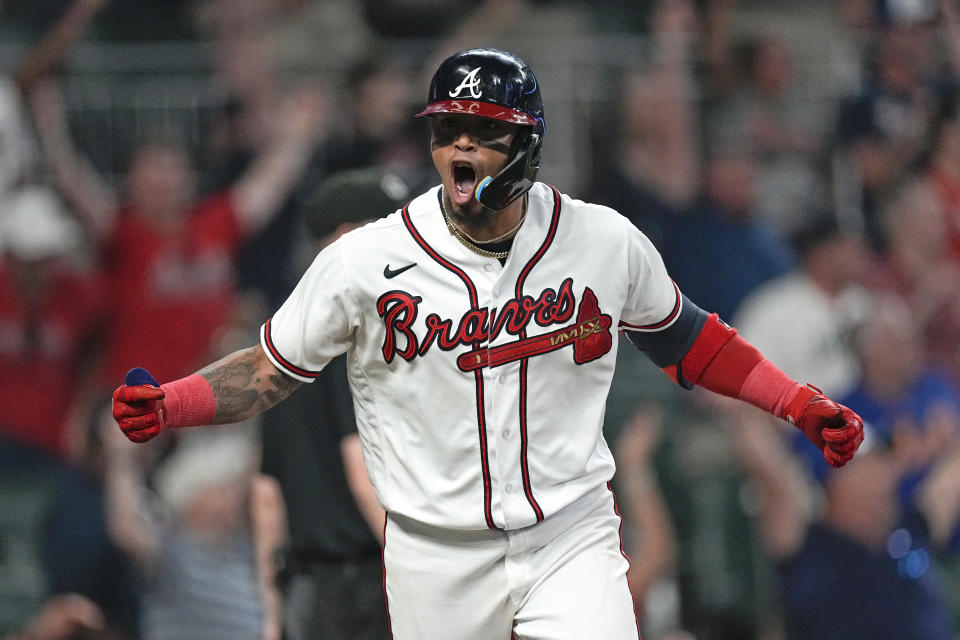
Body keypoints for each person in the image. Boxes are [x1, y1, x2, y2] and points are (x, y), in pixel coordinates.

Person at [112, 48, 864, 640]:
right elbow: (269, 369)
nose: (462, 148)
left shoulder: (602, 240)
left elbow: (691, 340)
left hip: (570, 532)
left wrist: (794, 400)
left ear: (529, 141)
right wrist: (173, 403)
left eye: (485, 130)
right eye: (447, 129)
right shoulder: (364, 260)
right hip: (435, 551)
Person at [259, 168, 405, 640]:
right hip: (371, 586)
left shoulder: (284, 334)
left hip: (307, 590)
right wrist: (426, 573)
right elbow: (362, 473)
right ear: (347, 237)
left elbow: (266, 491)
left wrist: (271, 612)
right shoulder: (358, 330)